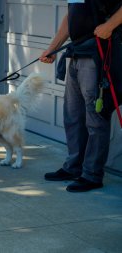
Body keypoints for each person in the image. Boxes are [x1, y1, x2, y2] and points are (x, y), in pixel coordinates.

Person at [40, 0, 122, 192]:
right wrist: (53, 47)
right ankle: (74, 167)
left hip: (98, 55)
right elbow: (71, 16)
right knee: (73, 116)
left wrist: (110, 26)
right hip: (77, 53)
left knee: (95, 118)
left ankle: (92, 175)